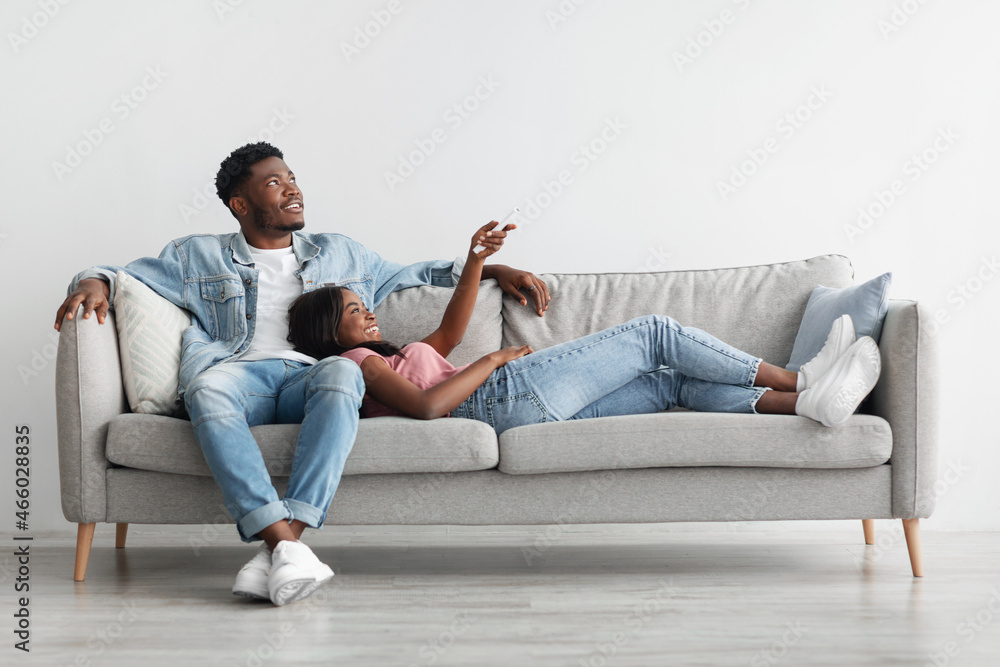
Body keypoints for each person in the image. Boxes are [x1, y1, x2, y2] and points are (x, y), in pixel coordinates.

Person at [53, 142, 550, 606]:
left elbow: (419, 274)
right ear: (240, 205)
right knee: (205, 389)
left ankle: (282, 545)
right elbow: (119, 273)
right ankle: (287, 547)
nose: (292, 188)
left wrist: (492, 270)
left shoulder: (341, 252)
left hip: (309, 376)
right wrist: (93, 284)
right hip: (236, 374)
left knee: (342, 373)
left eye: (291, 177)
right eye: (273, 183)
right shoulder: (194, 255)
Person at [286, 224, 882, 433]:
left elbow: (449, 327)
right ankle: (803, 379)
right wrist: (490, 361)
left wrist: (475, 259)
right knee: (653, 332)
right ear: (329, 333)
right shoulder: (353, 367)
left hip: (516, 403)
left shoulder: (390, 353)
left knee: (668, 386)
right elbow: (423, 408)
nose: (366, 309)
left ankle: (803, 406)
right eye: (351, 309)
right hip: (503, 396)